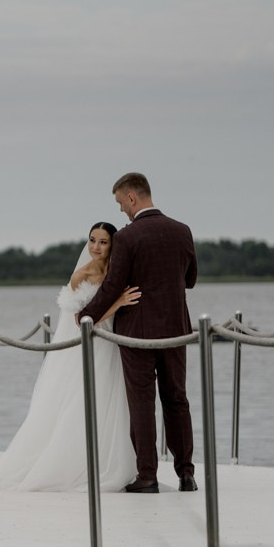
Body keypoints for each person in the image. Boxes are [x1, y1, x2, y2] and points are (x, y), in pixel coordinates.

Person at [78, 172, 198, 493]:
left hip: (136, 333)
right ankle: (186, 474)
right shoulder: (183, 230)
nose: (121, 210)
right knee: (177, 399)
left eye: (120, 202)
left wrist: (86, 315)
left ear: (132, 197)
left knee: (142, 403)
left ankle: (148, 476)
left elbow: (113, 286)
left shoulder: (127, 237)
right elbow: (190, 280)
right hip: (176, 330)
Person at [2, 223, 141, 492]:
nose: (96, 247)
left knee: (116, 402)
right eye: (92, 240)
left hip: (117, 344)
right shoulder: (81, 276)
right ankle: (81, 464)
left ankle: (115, 461)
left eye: (103, 242)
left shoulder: (119, 271)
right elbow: (82, 322)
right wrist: (118, 303)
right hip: (92, 345)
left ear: (113, 245)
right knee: (89, 399)